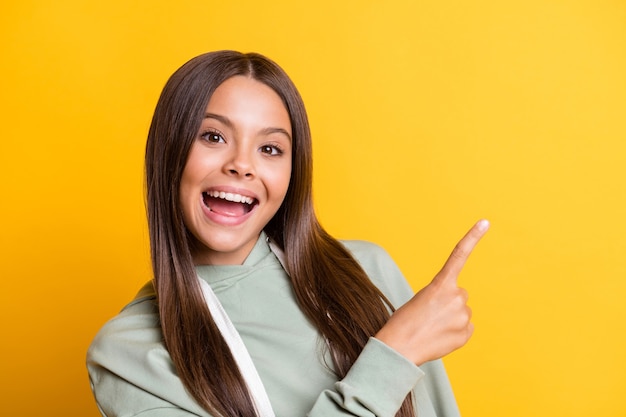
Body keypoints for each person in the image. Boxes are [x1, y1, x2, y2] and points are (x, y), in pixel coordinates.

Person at [86, 50, 489, 417]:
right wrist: (395, 354)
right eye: (213, 137)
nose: (242, 165)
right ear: (168, 151)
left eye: (270, 149)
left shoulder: (365, 272)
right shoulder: (129, 354)